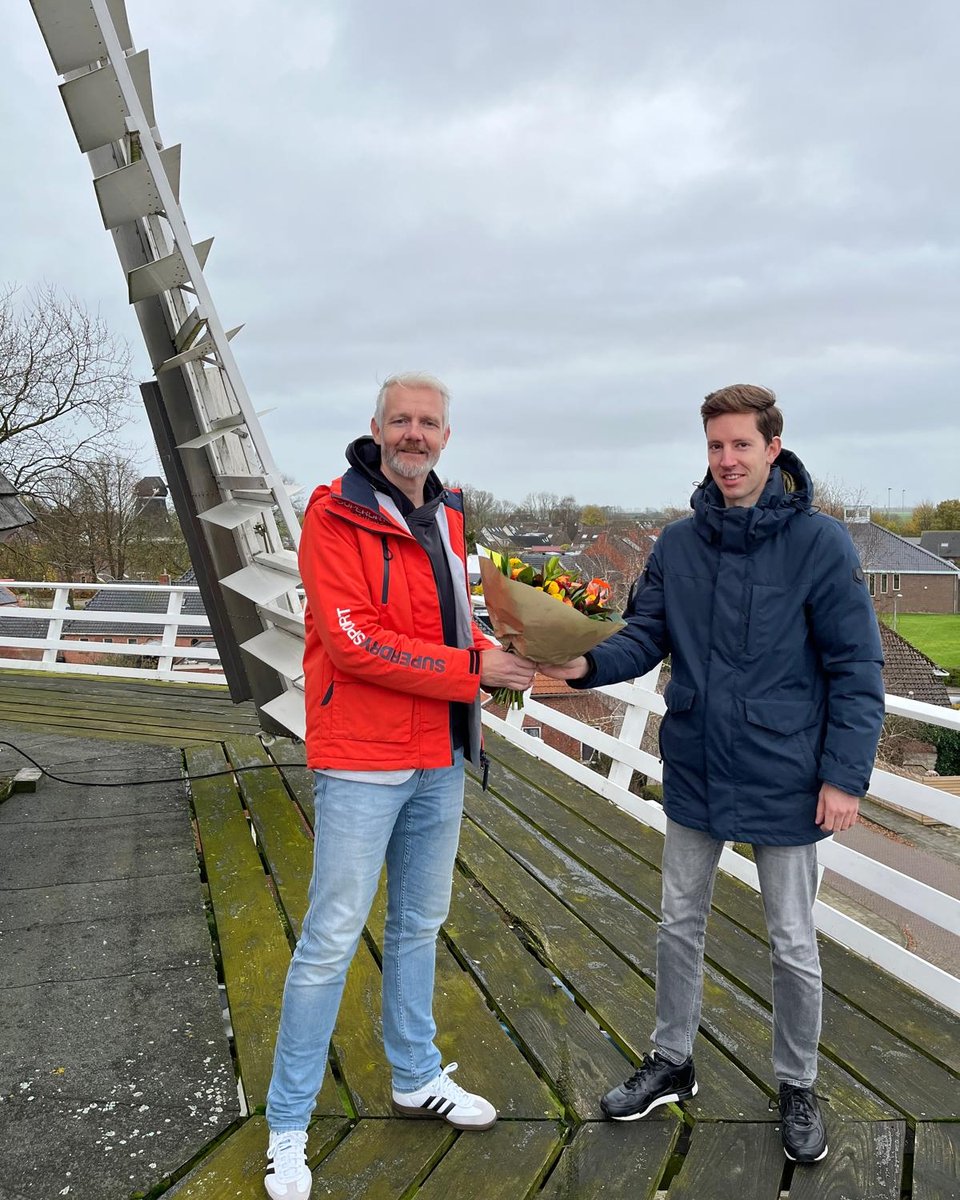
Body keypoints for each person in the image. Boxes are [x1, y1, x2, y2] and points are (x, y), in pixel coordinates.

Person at [541, 384, 883, 1164]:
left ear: (772, 448)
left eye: (740, 445)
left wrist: (845, 778)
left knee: (792, 942)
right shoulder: (678, 545)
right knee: (676, 923)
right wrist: (583, 662)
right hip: (696, 764)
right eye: (714, 446)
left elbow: (856, 668)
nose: (726, 460)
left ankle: (797, 1083)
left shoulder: (820, 545)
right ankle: (673, 1062)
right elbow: (644, 638)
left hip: (788, 773)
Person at [264, 373, 535, 1200]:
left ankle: (415, 1076)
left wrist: (515, 646)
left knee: (421, 923)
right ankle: (287, 1125)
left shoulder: (448, 512)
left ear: (446, 436)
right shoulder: (332, 514)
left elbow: (447, 622)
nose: (414, 433)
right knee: (330, 940)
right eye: (401, 420)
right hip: (362, 757)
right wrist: (471, 669)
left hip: (440, 754)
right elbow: (354, 643)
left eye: (429, 422)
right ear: (376, 427)